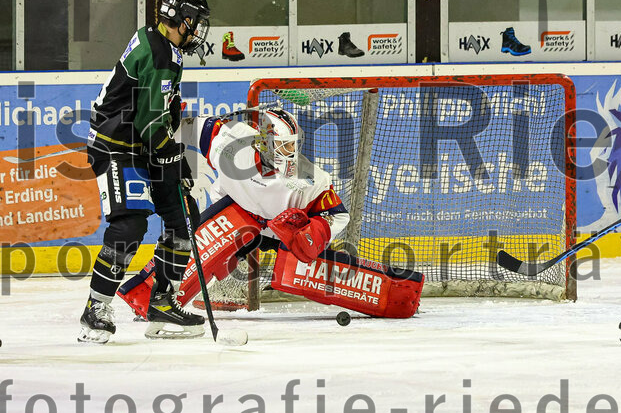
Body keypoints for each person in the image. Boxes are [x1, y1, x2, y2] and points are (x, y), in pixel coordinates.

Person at [117, 109, 424, 319]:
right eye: (282, 146)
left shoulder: (308, 178)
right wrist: (154, 137)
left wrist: (310, 235)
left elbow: (337, 214)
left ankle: (398, 293)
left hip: (281, 231)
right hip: (237, 214)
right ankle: (148, 297)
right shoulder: (229, 145)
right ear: (263, 142)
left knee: (305, 269)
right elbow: (189, 127)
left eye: (292, 146)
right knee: (204, 249)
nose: (289, 154)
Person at [79, 0, 211, 343]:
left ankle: (163, 304)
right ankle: (95, 309)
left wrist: (175, 157)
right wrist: (169, 151)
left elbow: (162, 111)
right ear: (182, 19)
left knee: (183, 216)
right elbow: (148, 121)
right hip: (117, 145)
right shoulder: (158, 52)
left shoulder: (166, 46)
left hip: (144, 143)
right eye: (196, 21)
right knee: (130, 226)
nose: (198, 28)